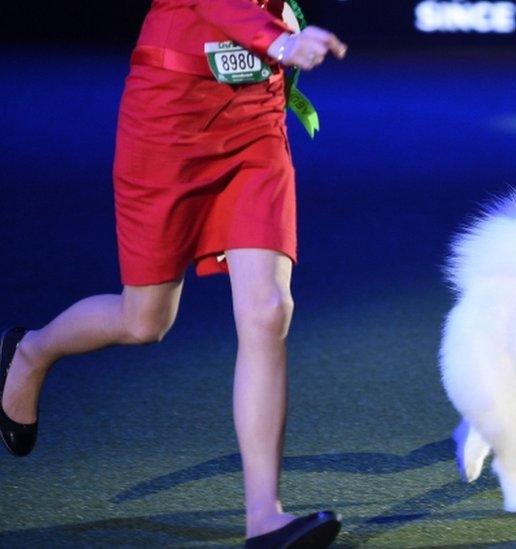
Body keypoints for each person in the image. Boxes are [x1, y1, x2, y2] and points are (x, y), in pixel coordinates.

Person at [0, 0, 347, 546]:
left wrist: (277, 47)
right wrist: (277, 40)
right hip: (169, 116)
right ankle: (30, 351)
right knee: (145, 321)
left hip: (256, 117)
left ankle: (265, 517)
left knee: (269, 310)